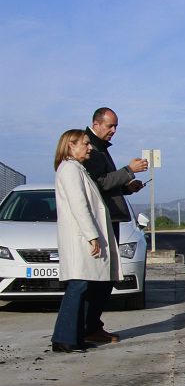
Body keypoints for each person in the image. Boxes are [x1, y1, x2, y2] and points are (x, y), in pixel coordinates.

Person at [51, 129, 121, 353]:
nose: (89, 147)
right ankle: (63, 339)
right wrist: (92, 235)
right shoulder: (70, 169)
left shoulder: (76, 168)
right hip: (80, 239)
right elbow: (79, 205)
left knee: (84, 286)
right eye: (85, 144)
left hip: (82, 238)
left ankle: (75, 337)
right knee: (78, 286)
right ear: (70, 145)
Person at [82, 107, 148, 343]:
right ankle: (89, 327)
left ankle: (92, 325)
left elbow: (107, 185)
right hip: (103, 221)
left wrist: (126, 188)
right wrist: (129, 171)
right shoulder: (88, 147)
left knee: (107, 277)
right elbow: (97, 183)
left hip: (111, 219)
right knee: (99, 278)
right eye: (110, 126)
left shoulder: (100, 147)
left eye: (116, 126)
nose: (113, 131)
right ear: (96, 123)